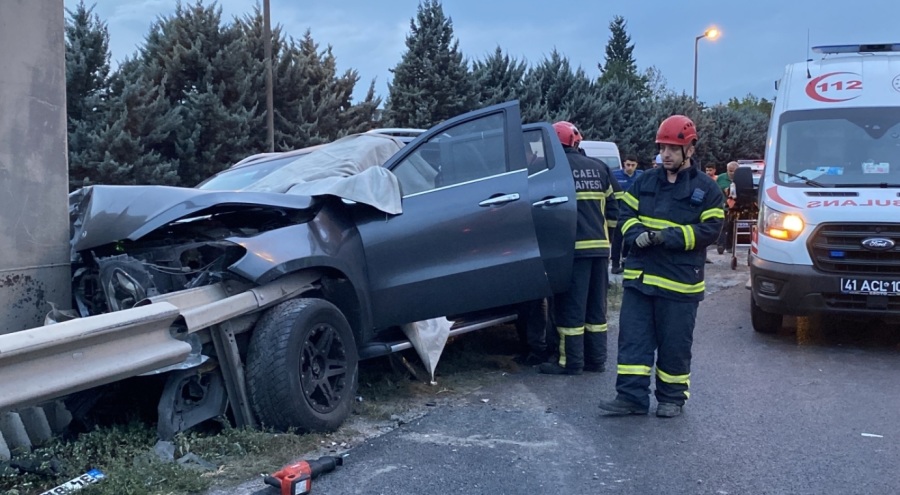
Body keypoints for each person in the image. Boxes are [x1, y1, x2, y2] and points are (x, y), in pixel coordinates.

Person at [598, 115, 724, 417]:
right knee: (633, 340)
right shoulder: (645, 181)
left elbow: (711, 230)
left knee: (674, 344)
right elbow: (625, 210)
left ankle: (671, 398)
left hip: (679, 283)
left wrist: (668, 237)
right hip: (641, 279)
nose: (665, 154)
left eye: (672, 148)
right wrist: (635, 233)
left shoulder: (707, 189)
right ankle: (630, 397)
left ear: (689, 150)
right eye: (662, 147)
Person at [539, 121, 618, 375]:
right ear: (576, 142)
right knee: (596, 307)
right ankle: (596, 360)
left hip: (571, 251)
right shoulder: (600, 167)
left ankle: (571, 362)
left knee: (570, 308)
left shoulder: (553, 172)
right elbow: (616, 211)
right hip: (599, 249)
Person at [611, 156, 643, 274]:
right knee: (617, 240)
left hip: (634, 213)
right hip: (619, 213)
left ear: (636, 165)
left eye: (632, 165)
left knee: (630, 238)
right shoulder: (615, 175)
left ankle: (626, 263)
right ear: (624, 164)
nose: (630, 168)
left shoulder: (640, 176)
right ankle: (615, 264)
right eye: (628, 165)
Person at [716, 161, 739, 254]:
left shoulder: (740, 178)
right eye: (730, 171)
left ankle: (729, 246)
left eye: (734, 171)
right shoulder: (721, 178)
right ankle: (720, 245)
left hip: (735, 207)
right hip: (723, 206)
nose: (732, 173)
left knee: (732, 227)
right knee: (723, 226)